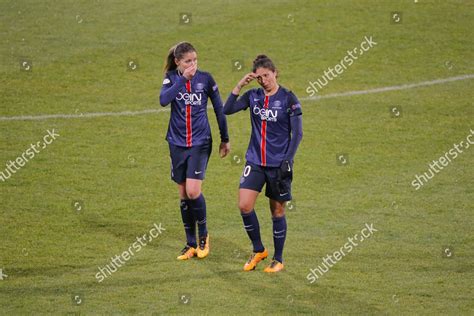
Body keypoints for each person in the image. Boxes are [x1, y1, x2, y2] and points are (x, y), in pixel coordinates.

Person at [223, 55, 303, 273]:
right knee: (244, 205)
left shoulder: (288, 98)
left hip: (279, 165)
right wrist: (240, 85)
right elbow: (226, 109)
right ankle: (258, 249)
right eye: (259, 78)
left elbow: (298, 133)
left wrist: (288, 159)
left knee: (277, 212)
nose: (264, 81)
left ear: (275, 73)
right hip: (255, 161)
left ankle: (278, 258)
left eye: (266, 76)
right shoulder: (253, 96)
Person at [160, 42, 230, 260]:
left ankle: (204, 237)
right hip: (176, 143)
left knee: (192, 191)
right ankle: (190, 243)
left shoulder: (206, 79)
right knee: (183, 194)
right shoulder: (172, 78)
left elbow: (220, 109)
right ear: (178, 62)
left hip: (200, 142)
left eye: (195, 60)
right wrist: (182, 80)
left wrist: (224, 138)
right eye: (188, 61)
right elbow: (163, 100)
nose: (193, 65)